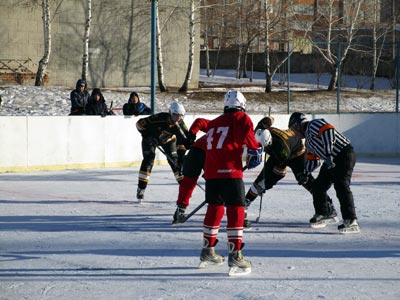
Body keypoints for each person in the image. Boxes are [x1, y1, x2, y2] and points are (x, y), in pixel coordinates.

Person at [199, 90, 262, 276]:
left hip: (211, 172)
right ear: (241, 104)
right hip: (230, 172)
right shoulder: (241, 117)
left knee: (215, 208)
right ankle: (236, 254)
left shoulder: (215, 122)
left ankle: (207, 251)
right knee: (236, 209)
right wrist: (255, 153)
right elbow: (252, 145)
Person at [243, 116, 338, 229]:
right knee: (261, 180)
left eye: (264, 148)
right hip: (278, 151)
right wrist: (267, 121)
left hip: (296, 153)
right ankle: (246, 201)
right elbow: (270, 118)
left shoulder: (281, 150)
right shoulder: (260, 130)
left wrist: (266, 184)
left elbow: (280, 173)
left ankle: (328, 207)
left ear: (269, 143)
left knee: (305, 180)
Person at [288, 112, 360, 234]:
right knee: (318, 186)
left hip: (343, 154)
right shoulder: (309, 143)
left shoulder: (313, 124)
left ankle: (351, 220)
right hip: (331, 159)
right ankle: (325, 213)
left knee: (341, 185)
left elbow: (328, 131)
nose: (294, 133)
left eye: (293, 129)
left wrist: (327, 154)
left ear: (298, 125)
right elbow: (313, 161)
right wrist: (305, 173)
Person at [135, 101, 190, 202]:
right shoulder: (159, 118)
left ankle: (184, 189)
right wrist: (147, 135)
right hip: (150, 140)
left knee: (175, 163)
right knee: (149, 159)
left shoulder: (181, 124)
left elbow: (185, 141)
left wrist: (181, 158)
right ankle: (141, 188)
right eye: (176, 115)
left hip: (168, 141)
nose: (178, 118)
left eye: (181, 116)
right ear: (170, 113)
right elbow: (139, 124)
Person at [172, 117, 210, 224]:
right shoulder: (236, 130)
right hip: (210, 154)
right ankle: (224, 207)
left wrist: (191, 135)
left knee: (188, 181)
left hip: (195, 150)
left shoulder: (219, 123)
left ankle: (180, 209)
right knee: (216, 181)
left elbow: (200, 121)